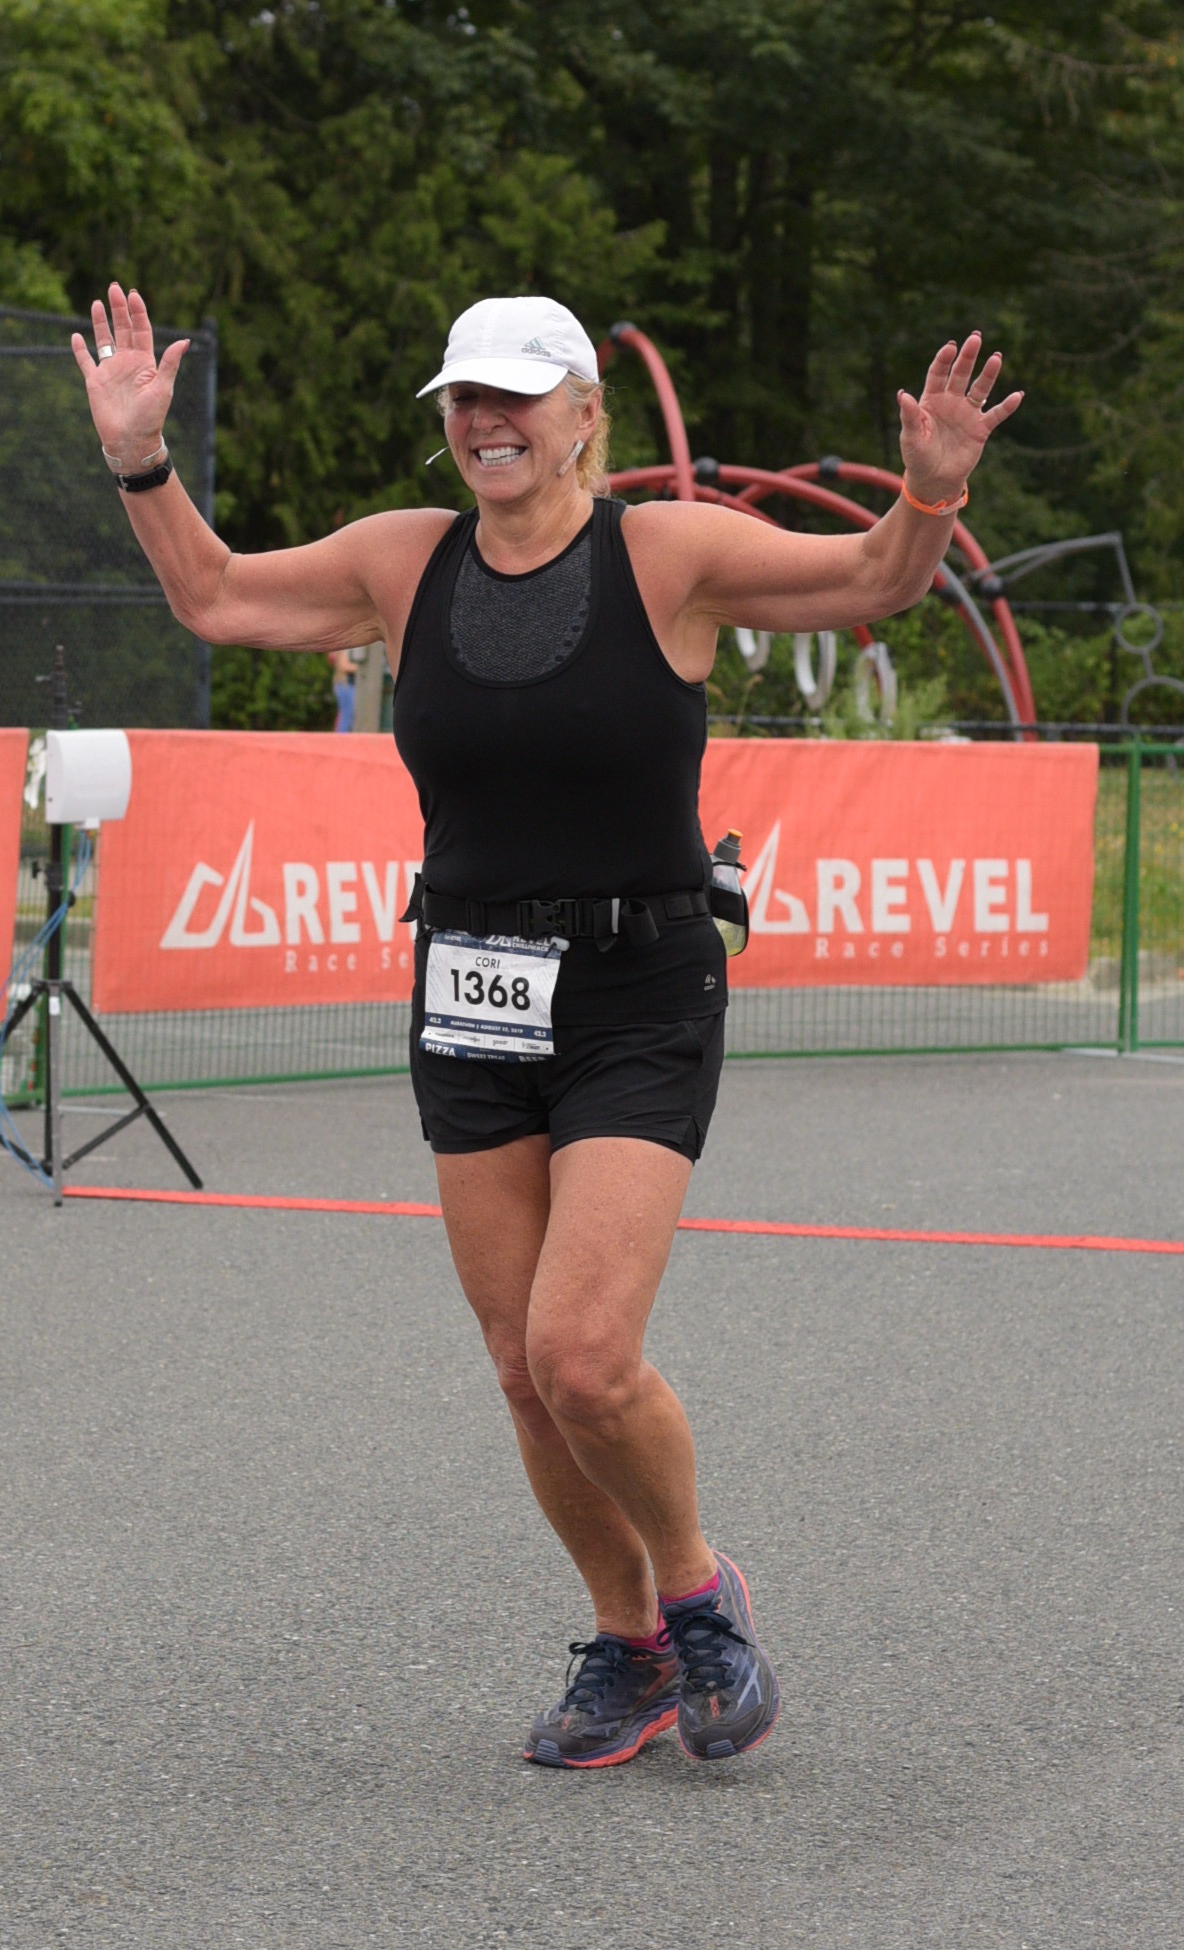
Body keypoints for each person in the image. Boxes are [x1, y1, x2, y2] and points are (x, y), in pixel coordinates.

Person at [73, 287, 1021, 1767]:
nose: (484, 420)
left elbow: (872, 578)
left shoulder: (668, 555)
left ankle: (699, 1596)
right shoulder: (404, 560)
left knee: (582, 1352)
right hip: (470, 989)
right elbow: (217, 596)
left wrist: (932, 492)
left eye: (515, 394)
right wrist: (141, 460)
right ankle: (628, 1646)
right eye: (464, 396)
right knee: (521, 1364)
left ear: (586, 414)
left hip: (638, 986)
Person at [328, 646, 359, 731]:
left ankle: (341, 735)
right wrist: (361, 668)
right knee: (346, 716)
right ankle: (341, 736)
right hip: (345, 685)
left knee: (346, 716)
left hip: (344, 685)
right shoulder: (344, 648)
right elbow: (343, 666)